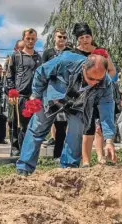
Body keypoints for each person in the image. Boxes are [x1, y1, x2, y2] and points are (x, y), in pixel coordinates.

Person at [15, 53, 117, 176]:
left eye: (98, 80)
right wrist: (35, 95)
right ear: (84, 67)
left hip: (79, 104)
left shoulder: (106, 83)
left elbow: (107, 111)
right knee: (37, 128)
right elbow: (41, 72)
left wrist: (109, 140)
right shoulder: (65, 61)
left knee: (77, 130)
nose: (93, 83)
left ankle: (68, 170)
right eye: (90, 78)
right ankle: (24, 168)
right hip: (55, 96)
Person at [72, 22, 116, 165]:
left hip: (102, 91)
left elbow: (112, 70)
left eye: (87, 37)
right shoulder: (74, 53)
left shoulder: (100, 52)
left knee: (100, 125)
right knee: (87, 125)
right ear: (77, 39)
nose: (85, 40)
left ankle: (100, 156)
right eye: (81, 37)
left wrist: (103, 81)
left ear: (91, 37)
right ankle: (85, 160)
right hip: (82, 93)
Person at [6, 28, 42, 157]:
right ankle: (15, 148)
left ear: (36, 40)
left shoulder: (39, 58)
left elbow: (42, 76)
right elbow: (10, 75)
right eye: (28, 38)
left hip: (33, 96)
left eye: (33, 39)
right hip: (19, 95)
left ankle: (29, 149)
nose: (30, 41)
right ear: (23, 39)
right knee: (17, 123)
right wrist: (11, 92)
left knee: (32, 125)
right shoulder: (16, 56)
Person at [42, 28, 71, 159]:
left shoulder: (70, 52)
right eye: (60, 37)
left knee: (62, 124)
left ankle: (58, 155)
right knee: (47, 122)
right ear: (55, 37)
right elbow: (43, 71)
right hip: (51, 92)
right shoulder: (48, 53)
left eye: (64, 37)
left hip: (65, 92)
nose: (62, 40)